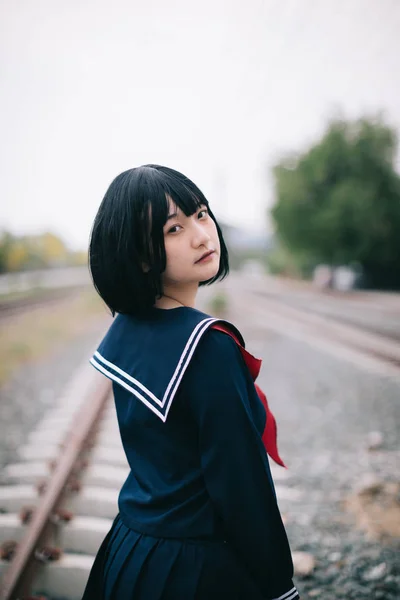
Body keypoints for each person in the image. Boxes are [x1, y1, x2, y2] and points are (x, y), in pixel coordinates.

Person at [82, 164, 299, 600]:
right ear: (141, 256)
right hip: (195, 568)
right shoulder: (208, 348)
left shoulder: (129, 328)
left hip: (130, 551)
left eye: (201, 214)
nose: (202, 235)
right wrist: (279, 586)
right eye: (174, 229)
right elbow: (242, 488)